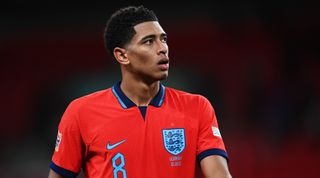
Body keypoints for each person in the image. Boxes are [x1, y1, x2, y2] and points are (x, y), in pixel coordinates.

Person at [48, 5, 232, 178]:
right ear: (122, 55)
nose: (163, 49)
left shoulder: (197, 107)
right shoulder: (81, 113)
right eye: (149, 41)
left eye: (163, 39)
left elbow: (219, 174)